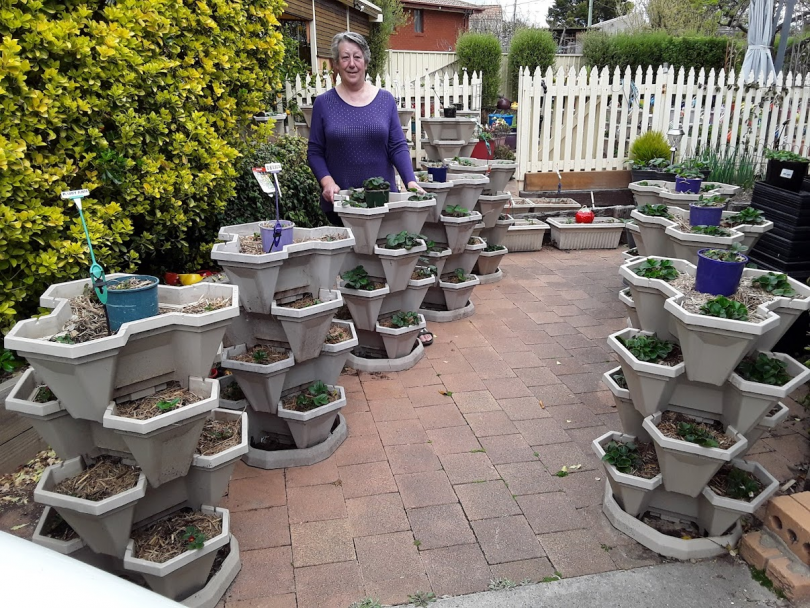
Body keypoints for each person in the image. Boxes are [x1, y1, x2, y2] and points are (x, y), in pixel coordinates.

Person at [307, 32, 432, 346]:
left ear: (366, 61)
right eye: (345, 57)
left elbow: (397, 145)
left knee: (387, 269)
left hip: (382, 205)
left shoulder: (385, 100)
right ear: (335, 64)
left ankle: (398, 326)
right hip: (343, 206)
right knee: (352, 271)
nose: (352, 63)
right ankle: (357, 335)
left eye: (357, 56)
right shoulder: (324, 104)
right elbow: (315, 152)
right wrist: (327, 182)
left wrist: (410, 179)